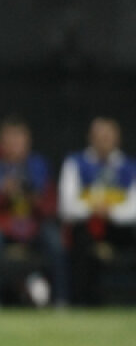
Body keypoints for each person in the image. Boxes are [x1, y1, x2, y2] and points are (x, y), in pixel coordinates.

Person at [0, 114, 66, 310]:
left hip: (31, 224)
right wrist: (3, 194)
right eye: (10, 141)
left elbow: (51, 207)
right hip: (1, 222)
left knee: (55, 239)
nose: (15, 146)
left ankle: (61, 299)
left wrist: (32, 199)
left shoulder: (38, 165)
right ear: (1, 142)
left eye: (19, 141)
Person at [59, 117, 136, 305]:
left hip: (121, 229)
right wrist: (94, 208)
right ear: (90, 138)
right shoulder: (75, 163)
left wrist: (112, 212)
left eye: (108, 136)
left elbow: (134, 208)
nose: (104, 141)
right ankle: (82, 302)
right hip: (87, 228)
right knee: (80, 240)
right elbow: (66, 207)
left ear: (117, 139)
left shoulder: (129, 167)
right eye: (99, 136)